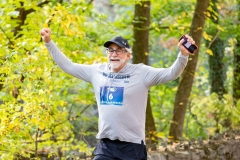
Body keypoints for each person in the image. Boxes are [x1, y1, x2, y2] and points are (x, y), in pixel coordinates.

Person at [40, 28, 195, 160]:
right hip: (106, 146)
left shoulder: (141, 72)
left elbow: (170, 73)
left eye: (119, 51)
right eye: (111, 50)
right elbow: (68, 66)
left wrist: (183, 55)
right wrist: (48, 42)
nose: (114, 54)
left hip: (132, 147)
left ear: (128, 55)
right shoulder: (97, 72)